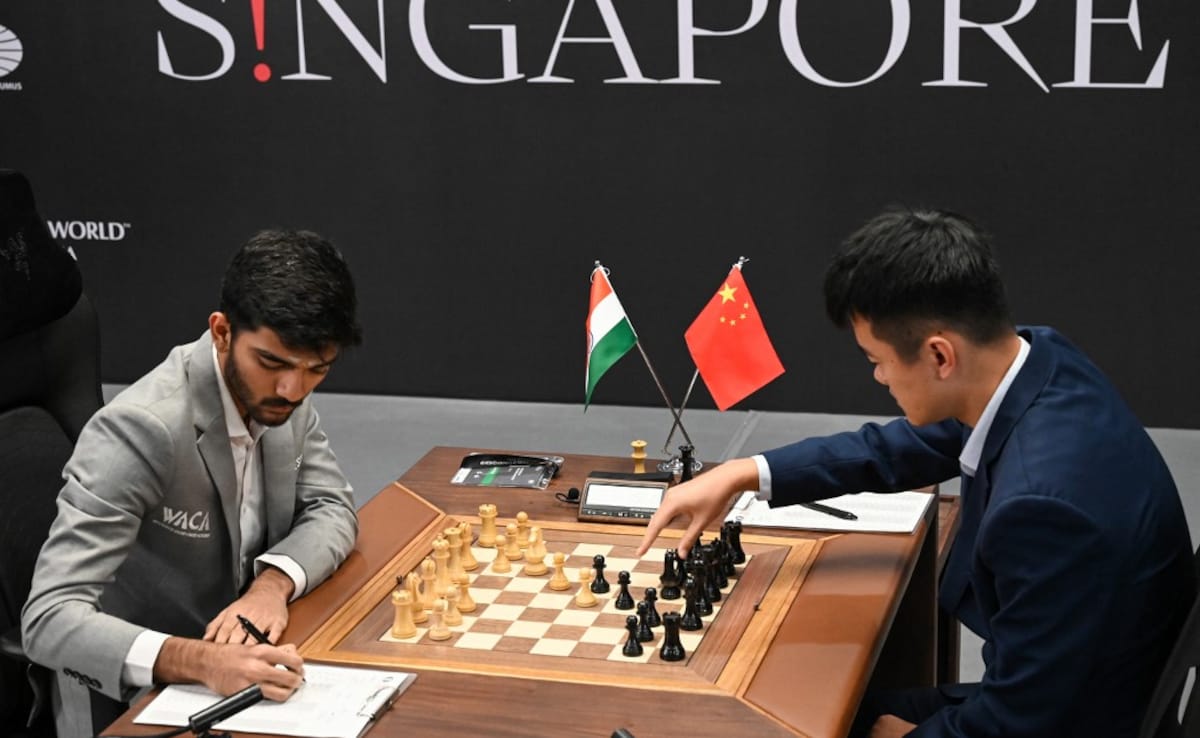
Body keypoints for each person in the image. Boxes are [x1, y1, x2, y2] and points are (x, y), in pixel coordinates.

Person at [638, 208, 1195, 737]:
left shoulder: (1042, 508)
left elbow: (1023, 718)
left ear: (939, 356)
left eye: (876, 360)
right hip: (1072, 681)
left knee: (781, 716)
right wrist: (744, 472)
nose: (879, 377)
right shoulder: (1038, 361)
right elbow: (897, 448)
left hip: (1079, 719)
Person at [22, 229, 363, 737]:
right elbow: (48, 619)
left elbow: (332, 506)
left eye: (317, 369)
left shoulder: (283, 390)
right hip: (138, 696)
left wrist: (271, 585)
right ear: (222, 332)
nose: (293, 389)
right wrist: (202, 662)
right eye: (271, 363)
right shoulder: (140, 428)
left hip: (250, 663)